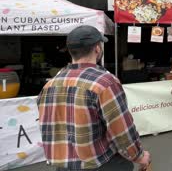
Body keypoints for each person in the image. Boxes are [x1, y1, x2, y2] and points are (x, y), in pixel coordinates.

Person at [37, 25, 151, 171]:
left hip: (63, 166)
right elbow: (121, 130)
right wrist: (139, 156)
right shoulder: (104, 82)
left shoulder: (49, 85)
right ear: (97, 49)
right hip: (101, 163)